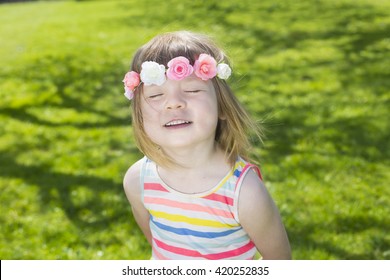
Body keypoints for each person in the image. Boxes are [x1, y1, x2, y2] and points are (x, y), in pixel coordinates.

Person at [122, 31, 291, 260]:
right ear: (140, 115)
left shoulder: (244, 193)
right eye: (155, 95)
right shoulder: (138, 181)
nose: (173, 103)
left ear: (222, 106)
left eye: (192, 90)